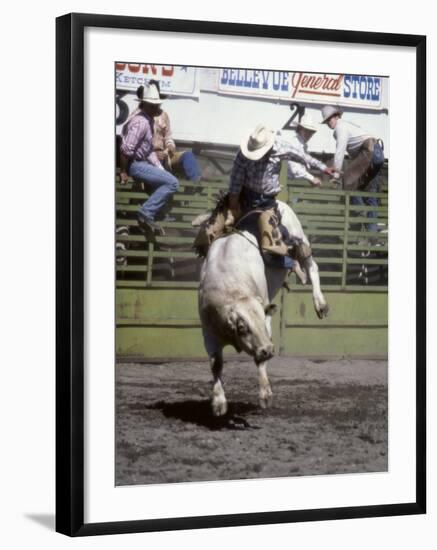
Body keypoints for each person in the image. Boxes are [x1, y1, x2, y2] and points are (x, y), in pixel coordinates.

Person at [195, 124, 335, 274]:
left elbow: (302, 156)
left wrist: (323, 168)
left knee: (271, 246)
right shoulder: (243, 154)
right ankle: (207, 266)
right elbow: (235, 183)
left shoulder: (279, 147)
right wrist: (233, 207)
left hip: (265, 204)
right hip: (243, 197)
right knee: (209, 233)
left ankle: (292, 259)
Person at [119, 83, 179, 233]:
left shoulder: (148, 120)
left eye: (156, 105)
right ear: (145, 105)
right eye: (153, 105)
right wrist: (123, 171)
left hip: (140, 162)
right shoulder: (141, 122)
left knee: (170, 180)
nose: (156, 108)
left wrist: (159, 169)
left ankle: (149, 212)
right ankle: (147, 211)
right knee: (172, 183)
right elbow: (126, 149)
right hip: (135, 164)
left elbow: (148, 150)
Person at [321, 105, 385, 234]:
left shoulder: (340, 127)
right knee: (369, 191)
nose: (329, 122)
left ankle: (361, 213)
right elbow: (354, 155)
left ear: (337, 116)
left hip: (370, 151)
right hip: (377, 153)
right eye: (327, 121)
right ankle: (372, 233)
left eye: (330, 119)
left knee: (347, 179)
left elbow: (339, 152)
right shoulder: (348, 126)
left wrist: (336, 175)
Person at [148, 80, 202, 183]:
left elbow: (168, 136)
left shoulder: (163, 115)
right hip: (149, 158)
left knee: (188, 156)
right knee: (162, 165)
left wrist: (170, 146)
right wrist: (153, 154)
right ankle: (170, 183)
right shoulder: (139, 118)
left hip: (165, 154)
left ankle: (195, 184)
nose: (157, 104)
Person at [286, 114, 327, 187]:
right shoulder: (294, 144)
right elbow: (295, 169)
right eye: (306, 131)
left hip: (294, 183)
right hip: (288, 183)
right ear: (300, 129)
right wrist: (312, 178)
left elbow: (308, 159)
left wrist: (324, 167)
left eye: (311, 132)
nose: (309, 134)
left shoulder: (301, 145)